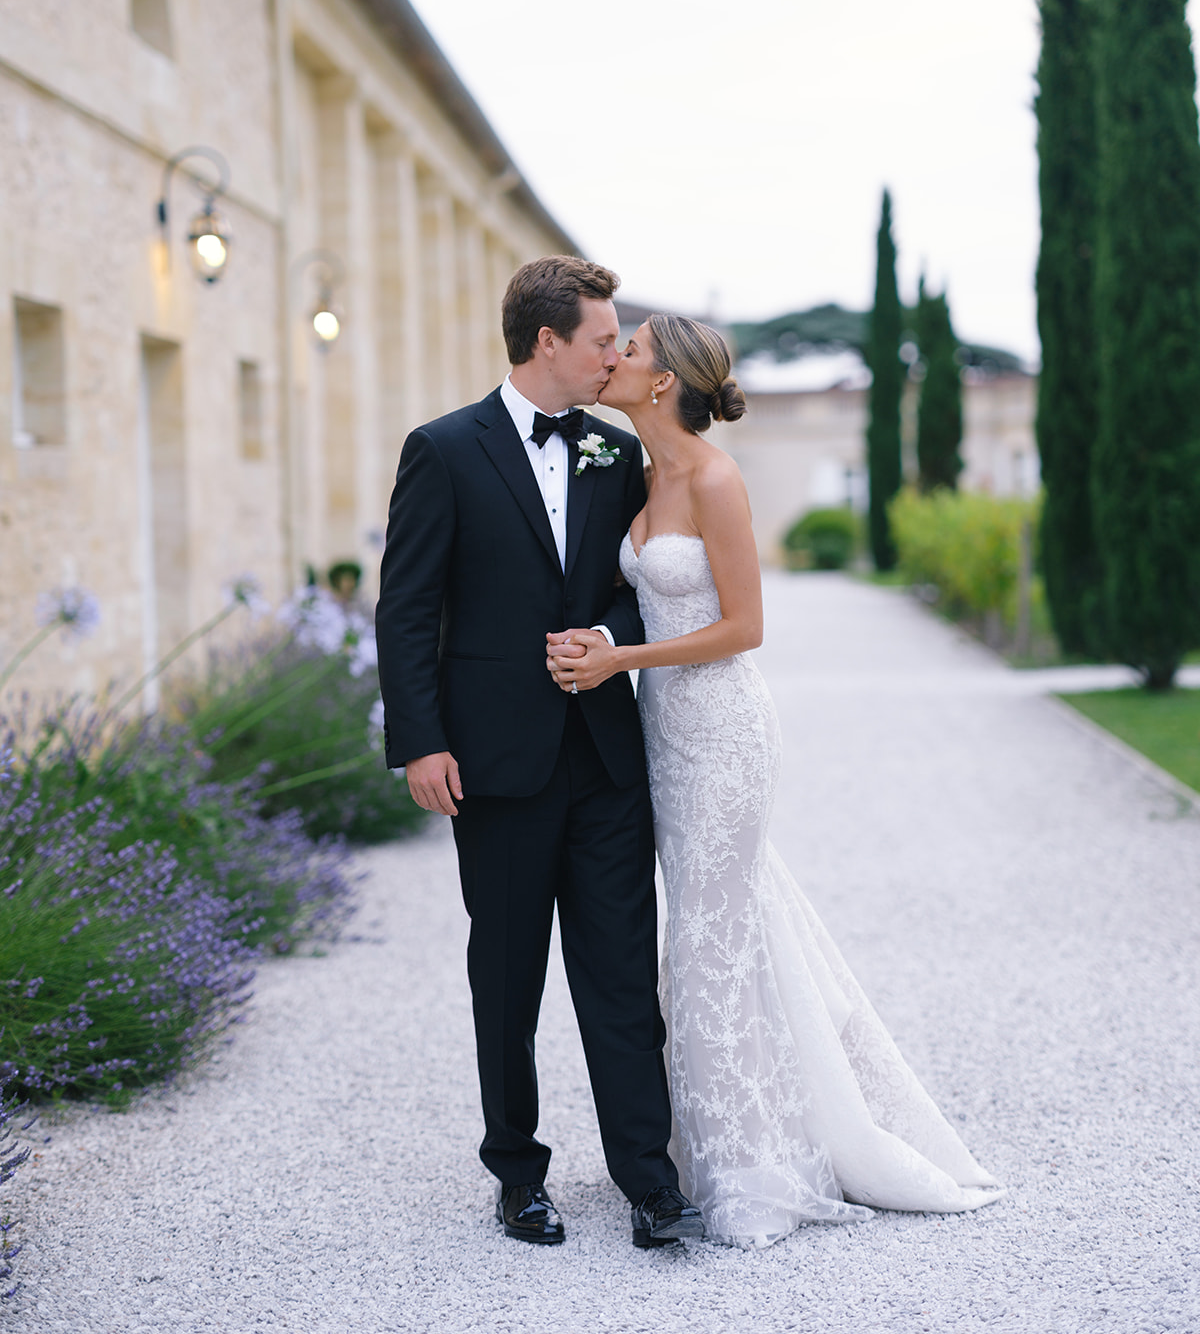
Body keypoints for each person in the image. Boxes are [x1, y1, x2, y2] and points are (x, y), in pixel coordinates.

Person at [546, 313, 1004, 1249]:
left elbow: (745, 626)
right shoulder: (638, 474)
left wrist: (619, 654)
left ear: (664, 380)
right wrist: (600, 642)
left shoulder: (714, 477)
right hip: (664, 734)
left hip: (724, 731)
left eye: (627, 349)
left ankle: (752, 1163)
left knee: (711, 938)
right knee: (722, 929)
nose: (612, 359)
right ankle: (707, 1142)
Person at [375, 258, 704, 1250]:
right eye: (604, 338)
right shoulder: (442, 450)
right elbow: (406, 607)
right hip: (494, 764)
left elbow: (626, 586)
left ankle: (650, 1181)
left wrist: (608, 638)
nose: (617, 351)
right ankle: (516, 1175)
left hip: (606, 760)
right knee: (508, 981)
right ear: (548, 340)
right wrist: (419, 741)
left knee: (617, 978)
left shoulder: (614, 453)